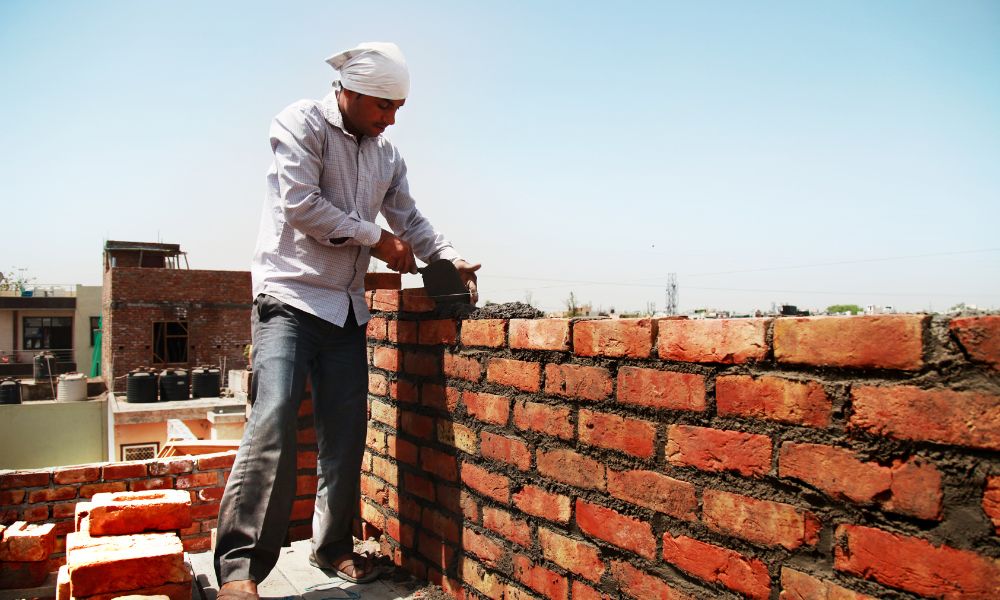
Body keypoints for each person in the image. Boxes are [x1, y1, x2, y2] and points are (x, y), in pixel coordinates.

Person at [214, 41, 480, 600]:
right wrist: (376, 240)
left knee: (345, 436)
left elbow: (409, 216)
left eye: (398, 109)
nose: (390, 119)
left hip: (345, 309)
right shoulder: (301, 123)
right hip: (288, 299)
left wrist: (446, 258)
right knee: (273, 422)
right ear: (352, 93)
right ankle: (240, 569)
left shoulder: (386, 155)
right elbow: (301, 205)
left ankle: (332, 547)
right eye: (383, 107)